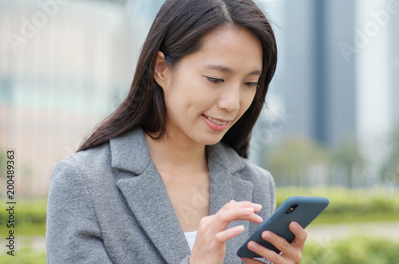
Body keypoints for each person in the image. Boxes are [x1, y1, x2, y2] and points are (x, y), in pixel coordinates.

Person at [46, 0, 308, 263]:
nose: (233, 103)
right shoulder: (83, 181)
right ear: (161, 68)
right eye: (215, 79)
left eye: (250, 83)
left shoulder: (257, 184)